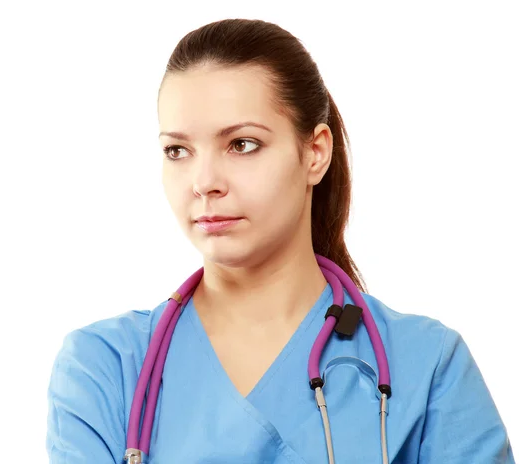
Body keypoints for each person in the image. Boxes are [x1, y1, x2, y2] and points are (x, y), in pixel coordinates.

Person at [46, 18, 514, 463]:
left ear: (315, 153)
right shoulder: (103, 367)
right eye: (178, 150)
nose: (203, 181)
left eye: (242, 144)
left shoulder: (428, 366)